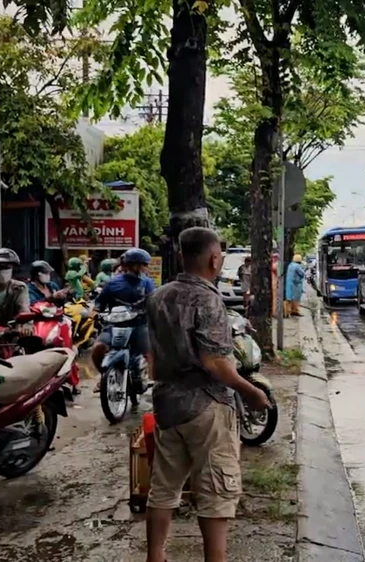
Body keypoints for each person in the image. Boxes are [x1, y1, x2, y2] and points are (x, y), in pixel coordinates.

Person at [144, 227, 270, 562]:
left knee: (164, 487)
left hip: (167, 406)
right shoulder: (208, 299)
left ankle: (154, 556)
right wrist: (251, 391)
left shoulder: (158, 296)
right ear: (214, 258)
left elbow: (152, 357)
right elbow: (215, 363)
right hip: (206, 408)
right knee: (216, 490)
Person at [90, 248, 156, 377]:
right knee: (97, 348)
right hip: (114, 325)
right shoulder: (112, 283)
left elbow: (153, 302)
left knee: (150, 354)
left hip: (139, 325)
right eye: (144, 264)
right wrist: (94, 313)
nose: (146, 268)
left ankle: (152, 382)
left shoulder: (147, 283)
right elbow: (100, 303)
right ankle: (104, 377)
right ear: (134, 265)